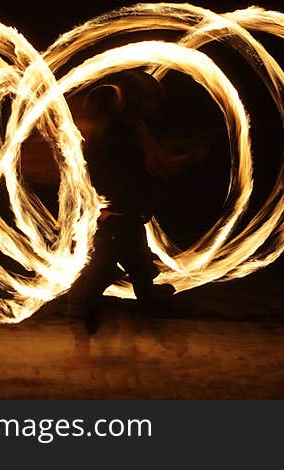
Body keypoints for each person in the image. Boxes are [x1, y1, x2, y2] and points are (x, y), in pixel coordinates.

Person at [62, 69, 184, 366]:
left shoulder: (115, 136)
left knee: (82, 296)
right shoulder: (116, 134)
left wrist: (113, 207)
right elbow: (146, 172)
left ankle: (84, 353)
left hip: (119, 223)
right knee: (141, 288)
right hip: (123, 221)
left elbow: (132, 174)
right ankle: (164, 333)